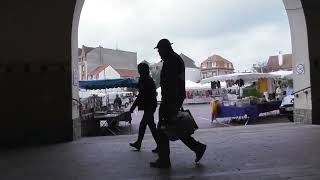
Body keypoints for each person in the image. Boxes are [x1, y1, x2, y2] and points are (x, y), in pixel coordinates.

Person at [150, 39, 207, 168]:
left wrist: (171, 104)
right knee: (174, 128)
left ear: (165, 49)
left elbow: (172, 84)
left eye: (159, 50)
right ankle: (197, 148)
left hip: (170, 101)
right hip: (172, 100)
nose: (159, 53)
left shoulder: (172, 61)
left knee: (163, 129)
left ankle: (164, 160)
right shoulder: (174, 59)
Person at [129, 63, 159, 152]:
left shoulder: (144, 80)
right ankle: (159, 145)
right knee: (150, 126)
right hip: (151, 105)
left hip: (149, 106)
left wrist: (133, 107)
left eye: (139, 69)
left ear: (142, 70)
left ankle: (140, 143)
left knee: (144, 125)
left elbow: (141, 95)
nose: (138, 71)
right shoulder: (148, 79)